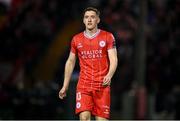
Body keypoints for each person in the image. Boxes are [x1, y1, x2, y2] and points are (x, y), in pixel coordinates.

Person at [59, 7, 118, 121]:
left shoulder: (107, 37)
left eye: (92, 17)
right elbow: (71, 61)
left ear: (98, 20)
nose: (89, 20)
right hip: (84, 86)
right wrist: (65, 85)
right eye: (87, 17)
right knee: (84, 118)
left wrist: (109, 75)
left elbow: (114, 59)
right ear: (83, 20)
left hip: (102, 86)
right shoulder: (76, 39)